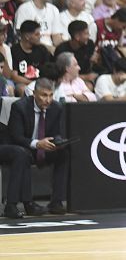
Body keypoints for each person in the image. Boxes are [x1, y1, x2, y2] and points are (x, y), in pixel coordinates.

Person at [7, 78, 68, 215]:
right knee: (23, 154)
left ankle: (56, 201)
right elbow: (16, 137)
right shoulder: (19, 107)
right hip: (21, 146)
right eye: (44, 95)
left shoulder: (56, 107)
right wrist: (37, 144)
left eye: (51, 95)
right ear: (34, 93)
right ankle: (22, 204)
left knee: (63, 153)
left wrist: (57, 142)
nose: (48, 100)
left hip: (43, 147)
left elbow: (57, 132)